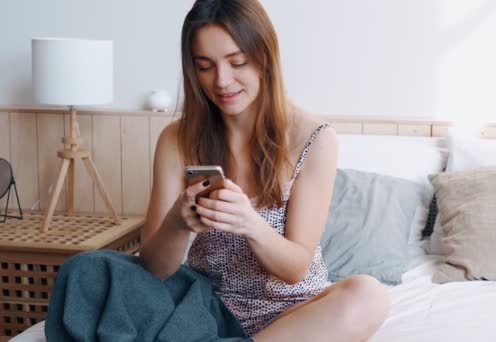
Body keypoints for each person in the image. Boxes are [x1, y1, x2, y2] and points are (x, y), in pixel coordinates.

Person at [139, 0, 390, 340]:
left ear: (265, 56)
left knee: (369, 296)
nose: (222, 81)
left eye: (237, 62)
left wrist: (249, 223)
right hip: (206, 310)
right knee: (90, 270)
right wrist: (177, 224)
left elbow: (295, 269)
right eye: (205, 66)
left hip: (294, 312)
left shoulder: (315, 138)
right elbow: (154, 269)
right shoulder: (177, 139)